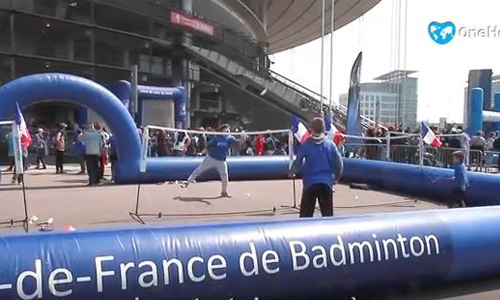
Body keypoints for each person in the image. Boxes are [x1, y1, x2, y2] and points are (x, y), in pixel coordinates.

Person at [291, 118, 344, 218]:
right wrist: (336, 178)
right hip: (326, 184)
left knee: (305, 217)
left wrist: (291, 172)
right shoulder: (330, 145)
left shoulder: (306, 145)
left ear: (311, 129)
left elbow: (297, 162)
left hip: (310, 184)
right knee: (327, 216)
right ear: (324, 130)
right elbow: (339, 164)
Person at [181, 124, 240, 197]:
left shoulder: (230, 138)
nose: (228, 131)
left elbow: (238, 142)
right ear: (222, 130)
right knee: (199, 170)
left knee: (225, 177)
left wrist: (243, 138)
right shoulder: (216, 138)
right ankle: (187, 182)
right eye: (226, 129)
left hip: (221, 161)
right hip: (210, 158)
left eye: (229, 130)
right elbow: (208, 146)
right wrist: (201, 153)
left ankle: (224, 192)